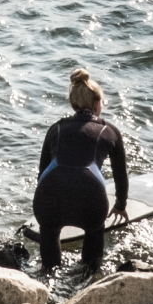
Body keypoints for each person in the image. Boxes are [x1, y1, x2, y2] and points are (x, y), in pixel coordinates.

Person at [33, 69, 130, 271]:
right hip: (90, 198)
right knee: (90, 263)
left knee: (49, 264)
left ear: (73, 103)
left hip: (49, 196)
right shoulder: (109, 131)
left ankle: (47, 288)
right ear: (96, 103)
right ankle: (87, 282)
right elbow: (121, 176)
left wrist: (47, 203)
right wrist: (120, 204)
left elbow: (42, 172)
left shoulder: (56, 128)